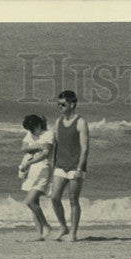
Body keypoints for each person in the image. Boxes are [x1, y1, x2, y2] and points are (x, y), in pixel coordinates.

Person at [49, 90, 90, 242]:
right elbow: (55, 145)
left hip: (75, 166)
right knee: (54, 197)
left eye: (63, 104)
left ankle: (73, 233)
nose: (59, 107)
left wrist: (80, 168)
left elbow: (85, 148)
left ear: (72, 104)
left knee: (73, 199)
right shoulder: (58, 122)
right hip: (60, 165)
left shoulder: (80, 122)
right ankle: (63, 227)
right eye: (58, 104)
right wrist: (52, 165)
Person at [18, 114, 55, 240]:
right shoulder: (30, 133)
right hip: (31, 171)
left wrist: (30, 161)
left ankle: (46, 225)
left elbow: (46, 154)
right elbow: (23, 148)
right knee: (34, 203)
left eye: (33, 129)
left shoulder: (49, 134)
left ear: (39, 125)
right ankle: (40, 235)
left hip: (44, 169)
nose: (31, 132)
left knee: (29, 201)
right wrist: (38, 146)